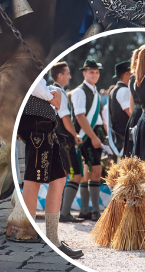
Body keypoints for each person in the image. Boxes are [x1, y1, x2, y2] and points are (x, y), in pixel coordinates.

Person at [18, 79, 83, 259]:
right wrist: (50, 96)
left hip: (44, 124)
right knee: (34, 178)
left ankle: (53, 238)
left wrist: (55, 92)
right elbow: (33, 84)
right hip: (36, 122)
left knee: (58, 178)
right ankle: (27, 231)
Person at [70, 58, 106, 221]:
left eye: (97, 72)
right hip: (87, 134)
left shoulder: (95, 91)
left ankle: (85, 210)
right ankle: (95, 211)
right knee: (96, 170)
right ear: (84, 73)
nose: (94, 75)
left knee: (89, 170)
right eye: (91, 72)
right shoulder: (79, 91)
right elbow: (80, 116)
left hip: (96, 131)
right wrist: (92, 138)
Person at [48, 62, 83, 223]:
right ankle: (64, 212)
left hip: (57, 139)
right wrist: (75, 134)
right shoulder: (59, 92)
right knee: (75, 175)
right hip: (65, 140)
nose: (70, 76)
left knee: (62, 175)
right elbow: (66, 118)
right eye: (67, 73)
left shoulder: (51, 89)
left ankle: (60, 211)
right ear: (60, 75)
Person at [106, 60, 132, 156]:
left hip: (119, 137)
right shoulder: (124, 90)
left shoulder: (115, 90)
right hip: (124, 138)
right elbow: (131, 114)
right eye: (132, 73)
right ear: (126, 74)